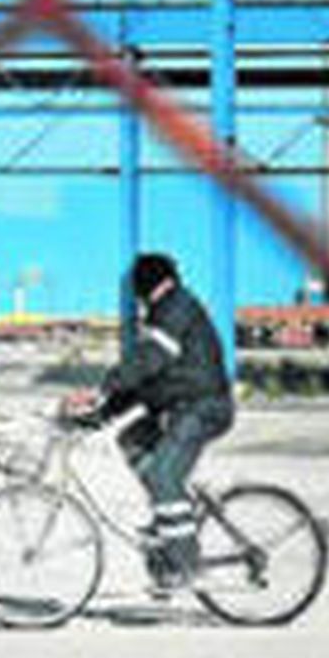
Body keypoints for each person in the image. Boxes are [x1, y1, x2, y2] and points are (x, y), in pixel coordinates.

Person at [65, 251, 235, 589]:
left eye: (138, 287)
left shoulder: (176, 308)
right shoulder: (164, 311)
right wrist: (102, 413)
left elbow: (148, 360)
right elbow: (146, 381)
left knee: (163, 475)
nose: (137, 297)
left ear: (152, 283)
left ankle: (186, 564)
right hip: (183, 407)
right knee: (132, 439)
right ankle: (169, 513)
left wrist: (102, 390)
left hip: (203, 408)